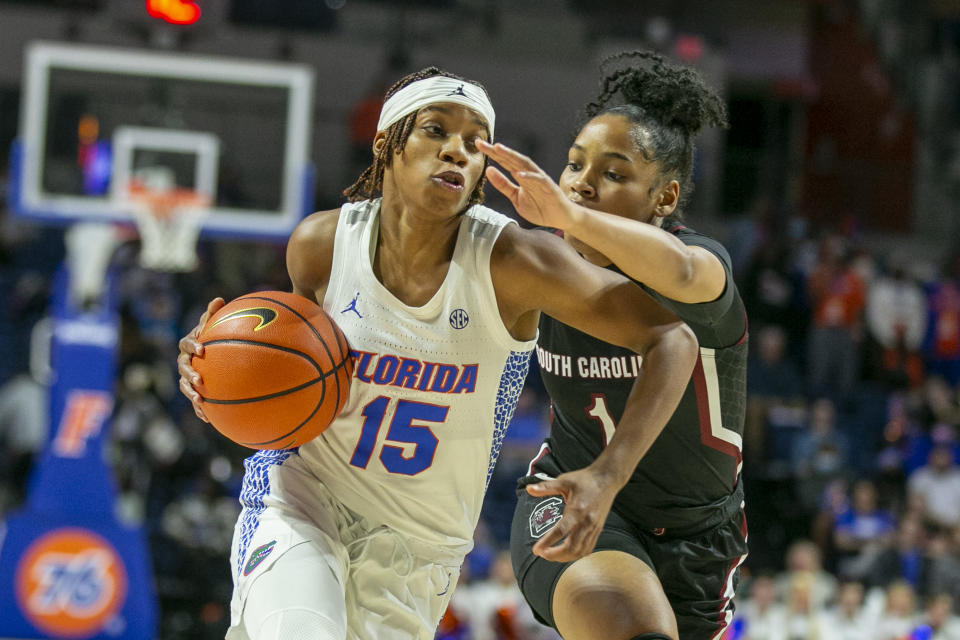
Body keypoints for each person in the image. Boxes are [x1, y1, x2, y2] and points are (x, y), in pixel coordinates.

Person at [177, 66, 698, 640]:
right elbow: (279, 362)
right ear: (386, 145)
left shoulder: (513, 262)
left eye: (475, 142)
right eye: (434, 130)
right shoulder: (322, 245)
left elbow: (671, 340)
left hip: (420, 546)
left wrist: (608, 475)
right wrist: (214, 366)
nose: (457, 150)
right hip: (304, 496)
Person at [476, 50, 749, 639]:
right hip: (575, 498)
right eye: (574, 166)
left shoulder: (701, 270)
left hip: (698, 536)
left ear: (666, 198)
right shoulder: (548, 270)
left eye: (615, 173)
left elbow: (677, 269)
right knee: (629, 626)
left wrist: (572, 219)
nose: (580, 184)